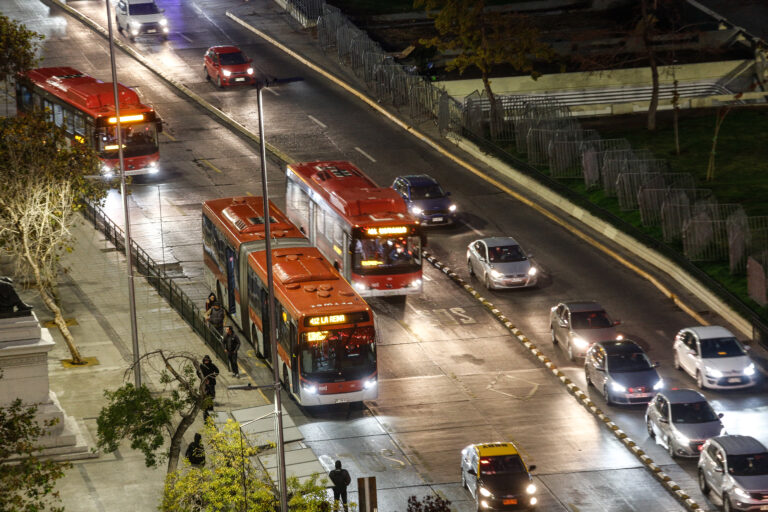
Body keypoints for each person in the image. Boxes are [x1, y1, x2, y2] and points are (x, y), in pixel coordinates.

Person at [198, 355, 219, 422]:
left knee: (211, 398)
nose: (206, 361)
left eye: (207, 360)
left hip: (211, 383)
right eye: (205, 360)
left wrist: (211, 377)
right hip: (204, 384)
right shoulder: (201, 366)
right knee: (205, 401)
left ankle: (211, 417)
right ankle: (206, 418)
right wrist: (204, 379)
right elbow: (198, 373)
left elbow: (217, 372)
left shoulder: (212, 365)